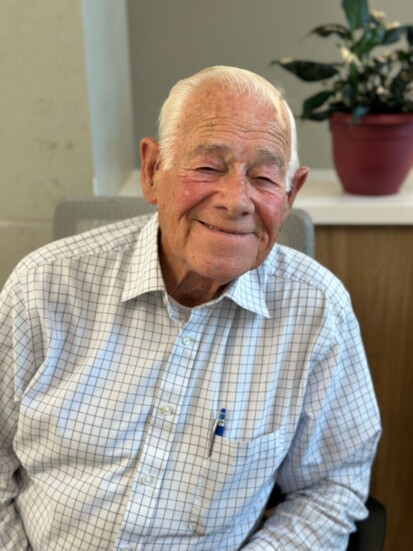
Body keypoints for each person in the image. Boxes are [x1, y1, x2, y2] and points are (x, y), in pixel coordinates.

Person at [0, 66, 380, 550]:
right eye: (207, 167)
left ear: (290, 193)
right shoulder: (44, 287)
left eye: (263, 176)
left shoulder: (318, 313)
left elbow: (331, 487)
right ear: (152, 171)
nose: (235, 200)